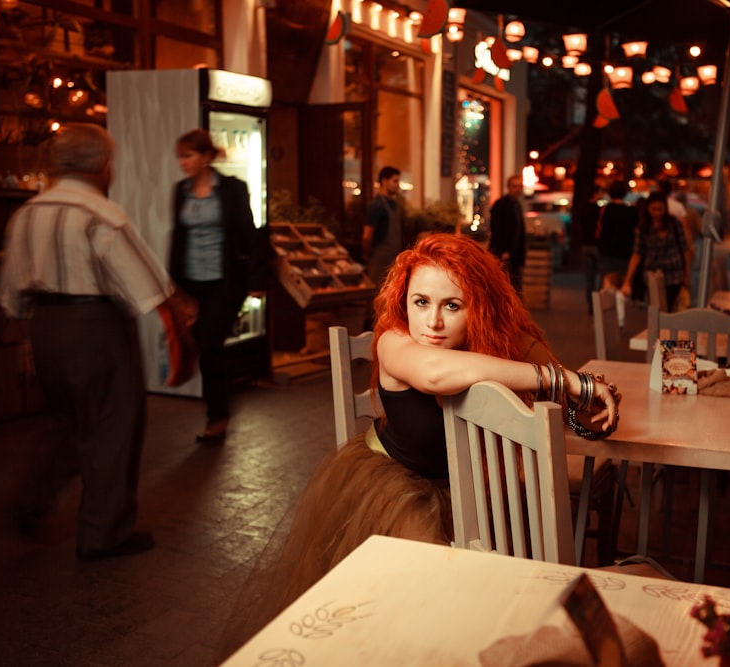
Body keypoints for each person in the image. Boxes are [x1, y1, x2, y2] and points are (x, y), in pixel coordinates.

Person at [259, 233, 620, 621]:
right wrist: (565, 380)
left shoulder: (497, 338)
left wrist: (581, 403)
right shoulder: (394, 341)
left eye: (452, 305)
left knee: (508, 588)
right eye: (421, 302)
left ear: (479, 308)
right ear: (404, 302)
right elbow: (434, 374)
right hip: (395, 483)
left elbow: (553, 382)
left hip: (472, 484)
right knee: (434, 589)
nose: (432, 322)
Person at [0, 123, 185, 562]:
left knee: (66, 422)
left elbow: (11, 292)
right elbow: (146, 284)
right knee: (112, 427)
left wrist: (25, 340)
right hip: (94, 327)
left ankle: (29, 502)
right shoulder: (101, 214)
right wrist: (181, 325)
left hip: (46, 327)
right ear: (102, 166)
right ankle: (104, 535)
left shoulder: (27, 212)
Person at [169, 129, 256, 443]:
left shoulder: (232, 189)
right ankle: (218, 411)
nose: (183, 163)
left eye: (188, 155)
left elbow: (248, 233)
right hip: (190, 282)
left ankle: (217, 417)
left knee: (208, 343)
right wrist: (174, 287)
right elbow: (177, 238)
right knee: (201, 344)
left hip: (224, 281)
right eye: (180, 156)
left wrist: (255, 282)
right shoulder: (181, 191)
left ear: (206, 157)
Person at [620, 191, 691, 311]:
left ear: (665, 208)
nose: (657, 213)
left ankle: (668, 329)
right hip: (652, 274)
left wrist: (686, 274)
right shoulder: (643, 228)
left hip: (674, 273)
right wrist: (628, 279)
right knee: (656, 309)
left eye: (660, 209)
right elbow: (637, 254)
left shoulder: (674, 223)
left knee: (671, 308)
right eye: (654, 209)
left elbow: (685, 249)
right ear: (647, 208)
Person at [362, 165, 404, 330]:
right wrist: (367, 255)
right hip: (379, 258)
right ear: (384, 181)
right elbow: (367, 235)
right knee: (376, 297)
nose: (397, 185)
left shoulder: (393, 205)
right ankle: (370, 332)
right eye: (394, 181)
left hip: (392, 257)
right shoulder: (376, 206)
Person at [487, 174, 527, 292]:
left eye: (519, 187)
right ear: (508, 187)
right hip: (504, 255)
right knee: (506, 288)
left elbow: (519, 231)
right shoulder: (501, 204)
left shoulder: (517, 205)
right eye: (514, 186)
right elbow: (496, 228)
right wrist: (503, 250)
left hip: (514, 255)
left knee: (515, 287)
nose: (517, 190)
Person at [597, 179, 639, 288]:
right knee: (624, 283)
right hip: (626, 252)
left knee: (607, 284)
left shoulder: (604, 209)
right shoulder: (631, 211)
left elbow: (600, 228)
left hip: (607, 251)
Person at [574, 177, 607, 314]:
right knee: (600, 276)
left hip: (585, 245)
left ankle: (591, 306)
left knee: (589, 278)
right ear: (596, 193)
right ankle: (598, 303)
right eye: (601, 192)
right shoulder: (600, 210)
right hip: (597, 245)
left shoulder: (582, 209)